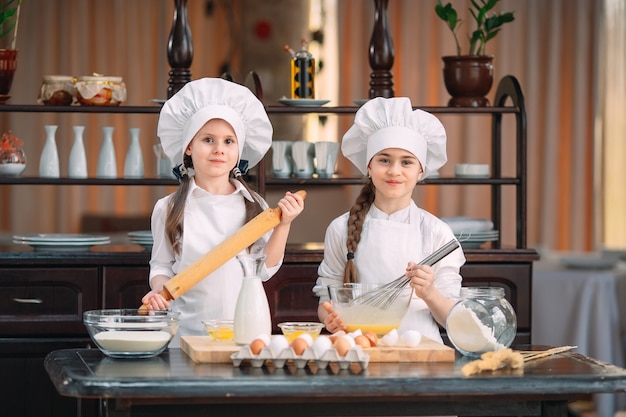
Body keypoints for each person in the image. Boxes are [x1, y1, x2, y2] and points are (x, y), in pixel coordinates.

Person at [142, 77, 305, 347]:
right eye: (208, 139)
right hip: (185, 333)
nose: (219, 149)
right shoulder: (169, 208)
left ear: (239, 149)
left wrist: (284, 224)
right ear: (189, 147)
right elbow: (161, 265)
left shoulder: (254, 205)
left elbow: (264, 269)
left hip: (245, 330)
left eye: (229, 141)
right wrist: (160, 290)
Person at [314, 96, 465, 344]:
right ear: (369, 166)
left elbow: (451, 318)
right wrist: (329, 317)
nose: (394, 171)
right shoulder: (340, 229)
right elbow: (327, 298)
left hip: (420, 353)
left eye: (406, 162)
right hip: (361, 349)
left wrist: (429, 293)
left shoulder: (438, 233)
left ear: (420, 171)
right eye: (384, 160)